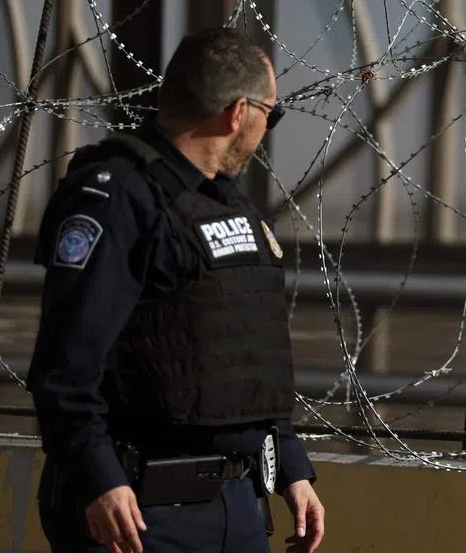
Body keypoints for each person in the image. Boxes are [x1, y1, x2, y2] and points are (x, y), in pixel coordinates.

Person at [27, 27, 325, 553]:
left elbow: (246, 354)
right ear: (238, 112)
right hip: (138, 512)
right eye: (270, 115)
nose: (266, 131)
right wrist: (100, 479)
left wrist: (289, 467)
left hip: (237, 504)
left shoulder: (228, 205)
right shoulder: (119, 200)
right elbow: (66, 365)